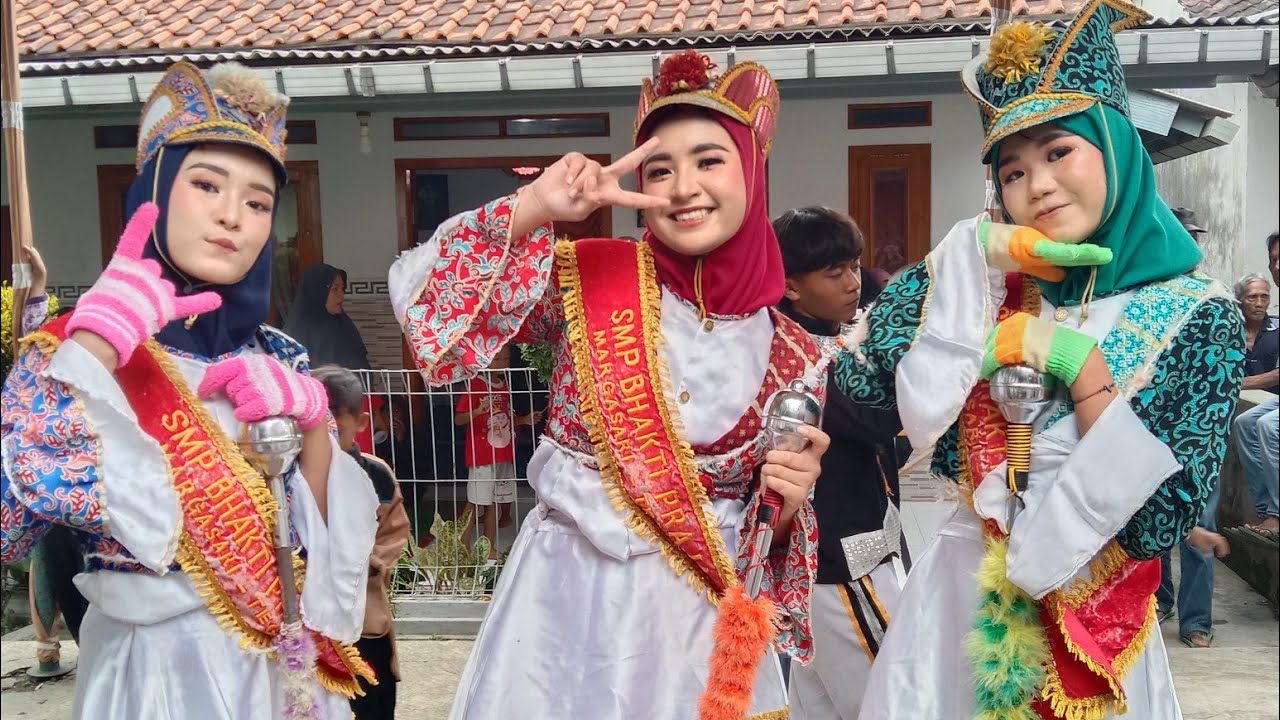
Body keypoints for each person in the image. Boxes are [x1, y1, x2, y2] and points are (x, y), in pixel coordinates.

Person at [833, 0, 1246, 716]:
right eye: (1013, 171)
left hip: (1093, 621)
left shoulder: (1200, 313)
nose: (1038, 186)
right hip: (960, 612)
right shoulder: (992, 286)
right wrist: (960, 255)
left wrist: (1084, 372)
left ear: (1114, 145)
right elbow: (862, 388)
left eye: (1059, 152)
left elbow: (1160, 523)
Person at [389, 51, 830, 719]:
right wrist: (536, 205)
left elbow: (762, 552)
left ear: (753, 169)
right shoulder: (587, 277)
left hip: (691, 633)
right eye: (660, 168)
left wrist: (786, 511)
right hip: (563, 612)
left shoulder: (798, 355)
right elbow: (422, 297)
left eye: (709, 160)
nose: (683, 187)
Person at [1, 61, 379, 719]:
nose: (233, 216)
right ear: (154, 189)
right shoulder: (71, 350)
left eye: (259, 201)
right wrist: (89, 351)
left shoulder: (278, 352)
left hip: (277, 672)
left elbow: (320, 537)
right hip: (156, 676)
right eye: (206, 185)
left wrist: (312, 416)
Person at [772, 206, 905, 719]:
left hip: (844, 556)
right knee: (888, 699)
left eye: (854, 266)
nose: (854, 283)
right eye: (836, 273)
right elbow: (881, 418)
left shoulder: (826, 340)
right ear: (791, 286)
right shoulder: (805, 357)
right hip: (841, 562)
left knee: (818, 705)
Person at [313, 365, 411, 720]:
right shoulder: (288, 474)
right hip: (310, 617)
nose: (326, 424)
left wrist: (370, 562)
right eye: (316, 414)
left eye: (336, 414)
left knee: (373, 696)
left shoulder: (376, 474)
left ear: (362, 421)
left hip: (364, 613)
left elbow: (394, 531)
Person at [453, 343, 541, 560]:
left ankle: (488, 547)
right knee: (476, 500)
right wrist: (478, 411)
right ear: (485, 360)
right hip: (482, 455)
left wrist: (524, 420)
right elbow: (458, 419)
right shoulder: (475, 385)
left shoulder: (504, 385)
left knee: (494, 500)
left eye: (506, 360)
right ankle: (462, 543)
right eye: (497, 360)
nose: (502, 364)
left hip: (503, 452)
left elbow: (506, 417)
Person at [1235, 236, 1280, 537]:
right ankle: (1266, 511)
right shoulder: (1230, 327)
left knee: (1268, 426)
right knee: (1245, 423)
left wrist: (1240, 382)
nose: (1278, 265)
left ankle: (1276, 515)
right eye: (1274, 259)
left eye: (1264, 297)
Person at [284, 262, 372, 369]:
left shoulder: (343, 325)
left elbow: (362, 367)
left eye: (342, 289)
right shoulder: (296, 334)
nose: (341, 296)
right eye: (335, 289)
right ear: (317, 292)